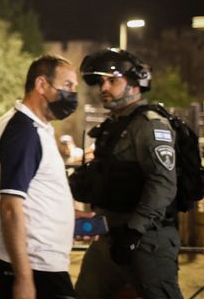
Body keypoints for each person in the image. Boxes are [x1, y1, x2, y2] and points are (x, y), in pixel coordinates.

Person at [72, 48, 182, 298]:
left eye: (113, 80)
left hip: (148, 240)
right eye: (101, 81)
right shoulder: (114, 126)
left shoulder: (150, 124)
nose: (104, 87)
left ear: (134, 84)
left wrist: (134, 232)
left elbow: (163, 182)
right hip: (110, 235)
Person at [0, 55, 80, 299]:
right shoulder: (24, 132)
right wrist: (24, 278)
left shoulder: (33, 127)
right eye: (68, 85)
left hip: (40, 262)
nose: (73, 93)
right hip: (35, 265)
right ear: (41, 85)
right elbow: (9, 206)